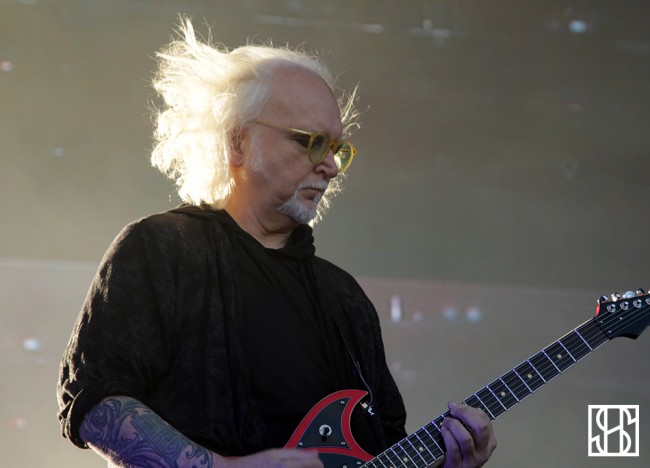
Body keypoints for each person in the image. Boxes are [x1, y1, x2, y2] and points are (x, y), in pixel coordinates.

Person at [57, 18, 497, 468]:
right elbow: (96, 401)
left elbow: (384, 446)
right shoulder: (160, 249)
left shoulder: (344, 299)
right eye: (313, 142)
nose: (331, 166)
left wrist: (447, 464)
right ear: (238, 142)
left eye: (337, 149)